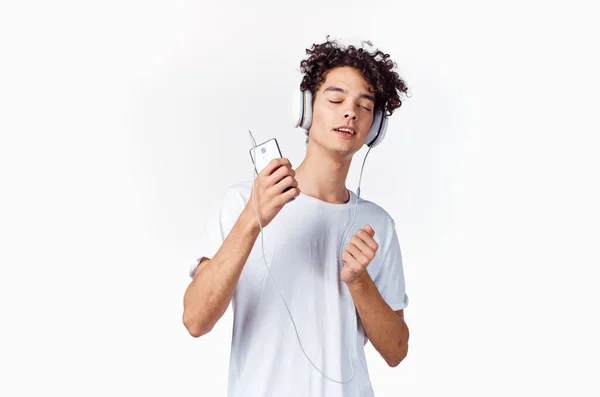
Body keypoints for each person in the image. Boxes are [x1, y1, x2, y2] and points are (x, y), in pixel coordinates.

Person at [183, 37, 411, 397]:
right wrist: (252, 220)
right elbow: (195, 320)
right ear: (306, 109)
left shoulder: (377, 224)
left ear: (375, 126)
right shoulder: (245, 200)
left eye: (364, 106)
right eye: (336, 100)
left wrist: (358, 281)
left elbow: (397, 351)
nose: (349, 112)